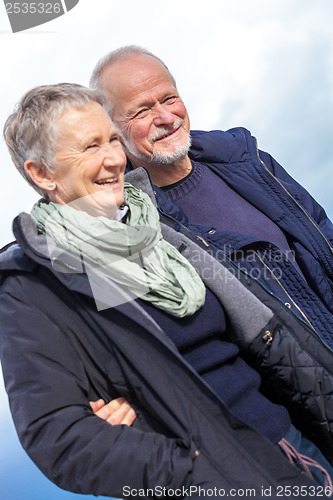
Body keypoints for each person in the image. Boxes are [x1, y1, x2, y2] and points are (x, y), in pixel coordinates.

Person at [0, 83, 332, 500]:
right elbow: (60, 439)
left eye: (111, 140)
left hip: (295, 443)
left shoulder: (154, 223)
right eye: (89, 147)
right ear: (42, 173)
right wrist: (197, 472)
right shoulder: (34, 282)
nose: (114, 159)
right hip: (224, 482)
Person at [89, 44, 333, 432]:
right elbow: (138, 340)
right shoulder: (131, 230)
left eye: (169, 98)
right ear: (113, 133)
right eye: (141, 111)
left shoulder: (247, 159)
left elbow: (321, 236)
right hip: (299, 418)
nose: (165, 117)